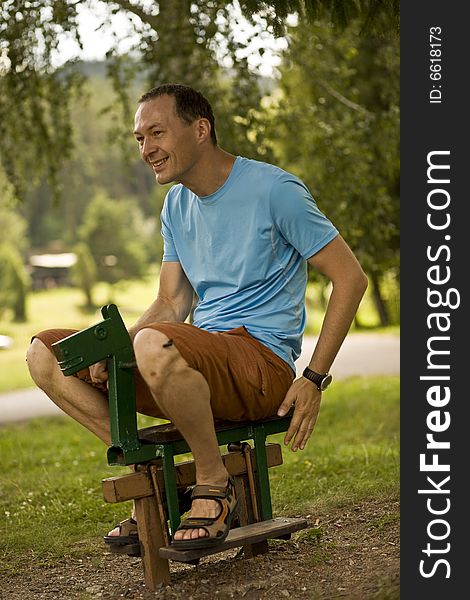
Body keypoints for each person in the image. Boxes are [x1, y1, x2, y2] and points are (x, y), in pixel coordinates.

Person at [26, 83, 368, 550]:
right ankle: (155, 478)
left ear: (201, 129)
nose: (147, 149)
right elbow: (170, 304)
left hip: (260, 362)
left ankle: (214, 483)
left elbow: (351, 279)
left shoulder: (274, 190)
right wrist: (116, 348)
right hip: (193, 357)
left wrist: (314, 377)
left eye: (157, 133)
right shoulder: (177, 206)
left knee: (155, 342)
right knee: (46, 354)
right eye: (140, 139)